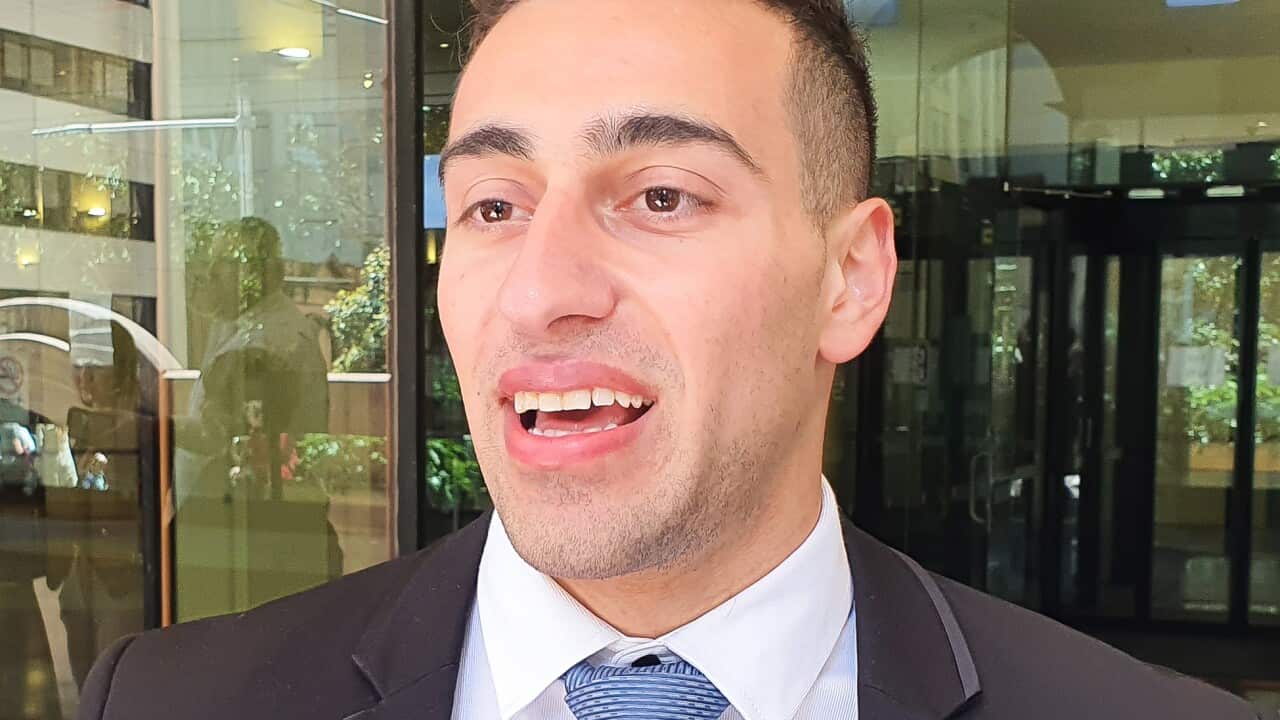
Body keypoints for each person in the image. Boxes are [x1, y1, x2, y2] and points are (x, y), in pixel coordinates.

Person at [78, 2, 1258, 719]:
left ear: (848, 278)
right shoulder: (171, 702)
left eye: (656, 195)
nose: (540, 292)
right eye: (492, 206)